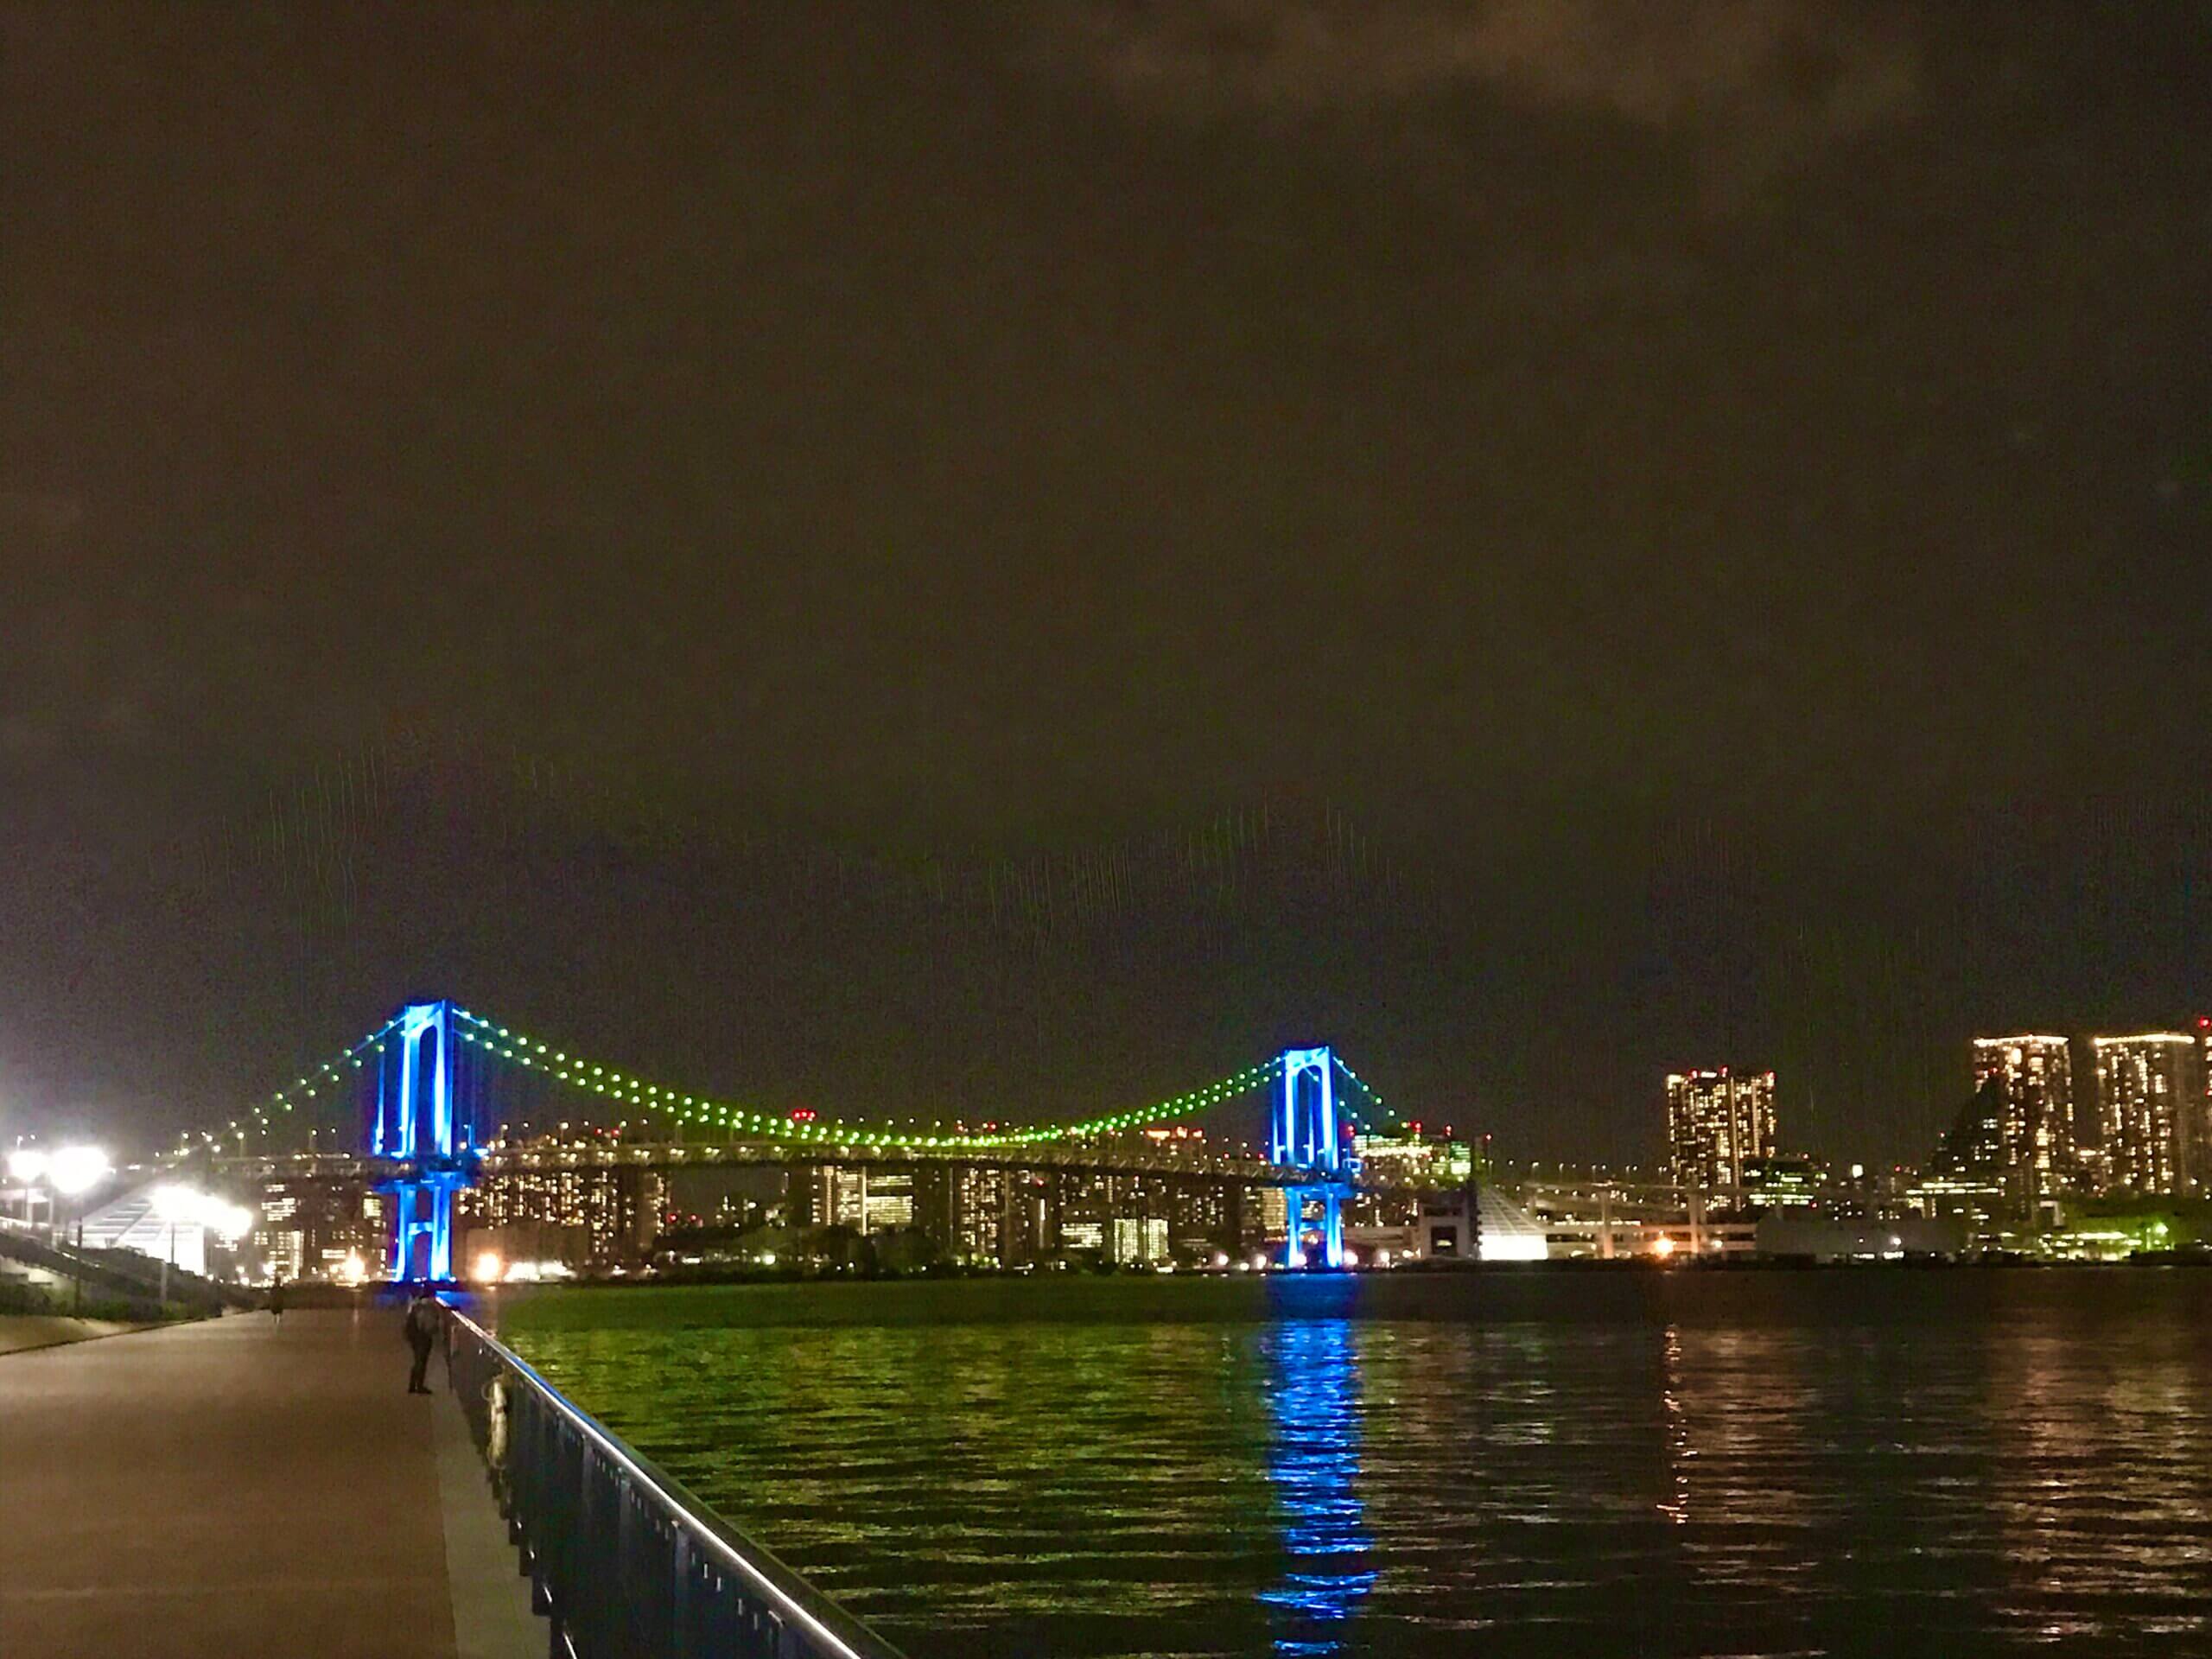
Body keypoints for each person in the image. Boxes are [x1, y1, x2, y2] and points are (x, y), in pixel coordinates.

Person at [403, 1287, 440, 1395]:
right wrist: (434, 1331)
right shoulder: (428, 1307)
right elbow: (428, 1324)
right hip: (423, 1336)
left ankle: (412, 1385)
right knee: (422, 1361)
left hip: (413, 1336)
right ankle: (419, 1386)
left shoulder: (415, 1305)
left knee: (417, 1360)